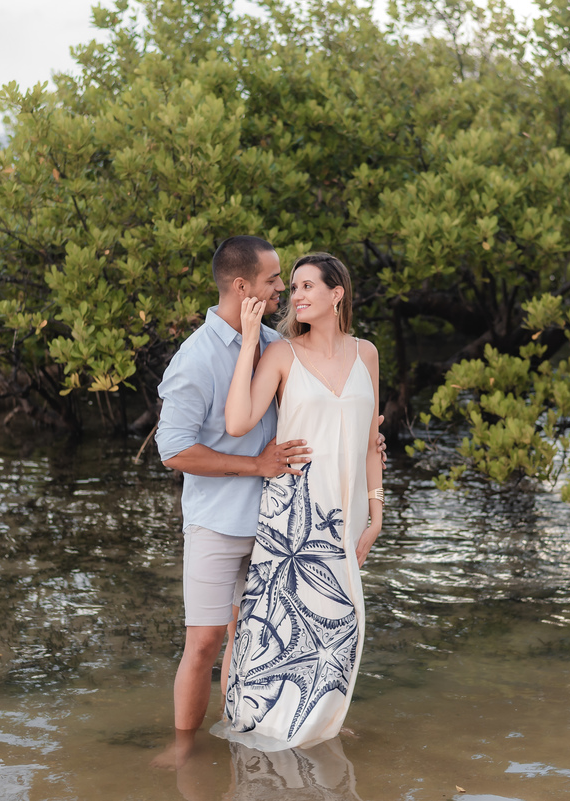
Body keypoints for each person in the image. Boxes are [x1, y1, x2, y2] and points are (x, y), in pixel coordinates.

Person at [155, 238, 385, 768]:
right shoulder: (203, 354)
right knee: (207, 639)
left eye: (298, 282)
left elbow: (357, 424)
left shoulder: (306, 346)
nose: (284, 289)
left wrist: (373, 495)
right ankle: (185, 749)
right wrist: (256, 464)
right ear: (243, 288)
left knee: (259, 637)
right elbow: (174, 449)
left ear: (336, 295)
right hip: (221, 518)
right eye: (278, 280)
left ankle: (251, 730)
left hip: (280, 514)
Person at [217, 252, 382, 750]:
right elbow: (238, 422)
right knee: (281, 622)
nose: (298, 295)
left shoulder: (367, 353)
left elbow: (371, 438)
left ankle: (318, 726)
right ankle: (268, 732)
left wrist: (376, 515)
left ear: (338, 294)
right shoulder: (282, 354)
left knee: (341, 623)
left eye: (309, 286)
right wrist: (249, 342)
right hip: (292, 510)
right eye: (293, 287)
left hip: (345, 511)